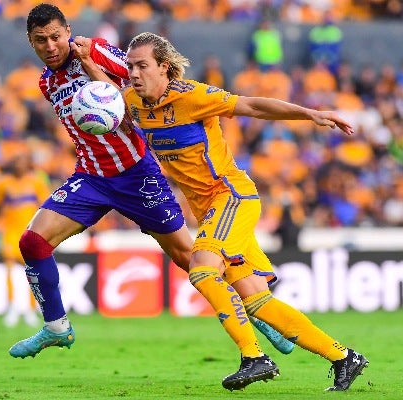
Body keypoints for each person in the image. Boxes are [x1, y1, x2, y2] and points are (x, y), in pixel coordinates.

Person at [8, 3, 289, 391]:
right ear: (31, 42)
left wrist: (92, 65)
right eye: (42, 40)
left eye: (57, 37)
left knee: (190, 259)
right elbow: (97, 116)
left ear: (68, 31)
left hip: (138, 173)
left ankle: (257, 315)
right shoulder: (45, 82)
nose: (51, 46)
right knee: (33, 241)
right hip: (91, 175)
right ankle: (56, 326)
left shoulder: (99, 50)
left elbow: (147, 89)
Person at [121, 31, 369, 391]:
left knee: (202, 269)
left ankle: (254, 357)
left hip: (232, 196)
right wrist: (84, 61)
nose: (134, 73)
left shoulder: (194, 96)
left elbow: (252, 106)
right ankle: (344, 357)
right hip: (210, 212)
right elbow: (105, 88)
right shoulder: (132, 101)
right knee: (257, 301)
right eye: (130, 67)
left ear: (164, 67)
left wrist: (309, 114)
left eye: (142, 66)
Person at [0, 154, 49, 327]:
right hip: (10, 232)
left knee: (32, 272)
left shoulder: (36, 182)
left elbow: (45, 207)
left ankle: (31, 309)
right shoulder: (4, 183)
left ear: (28, 164)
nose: (19, 165)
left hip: (30, 231)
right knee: (9, 269)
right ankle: (12, 307)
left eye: (22, 161)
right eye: (16, 162)